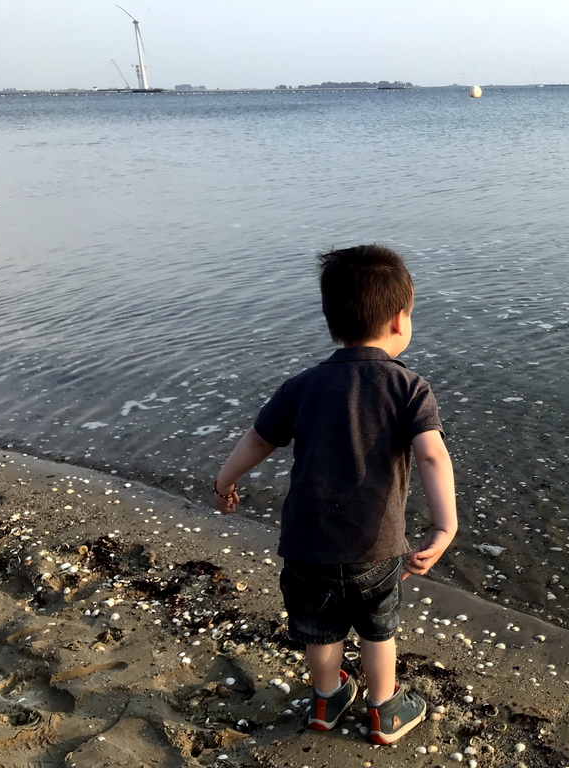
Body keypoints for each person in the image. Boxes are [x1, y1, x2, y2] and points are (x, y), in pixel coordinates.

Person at [211, 244, 457, 745]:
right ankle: (383, 709)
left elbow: (259, 439)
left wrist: (225, 479)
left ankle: (326, 700)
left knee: (319, 628)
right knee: (377, 627)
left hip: (307, 545)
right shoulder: (408, 387)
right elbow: (432, 455)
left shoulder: (303, 385)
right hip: (376, 546)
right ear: (398, 320)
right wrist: (444, 526)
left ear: (331, 321)